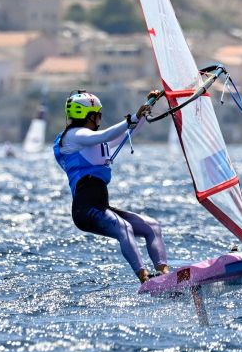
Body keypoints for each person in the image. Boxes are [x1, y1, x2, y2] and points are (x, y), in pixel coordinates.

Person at [54, 89, 171, 283]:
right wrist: (133, 117)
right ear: (87, 116)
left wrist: (149, 104)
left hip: (101, 206)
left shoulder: (91, 140)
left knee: (152, 226)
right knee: (124, 228)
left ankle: (165, 275)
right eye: (97, 114)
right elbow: (106, 135)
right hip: (85, 210)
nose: (100, 117)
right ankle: (145, 278)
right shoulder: (73, 137)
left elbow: (128, 131)